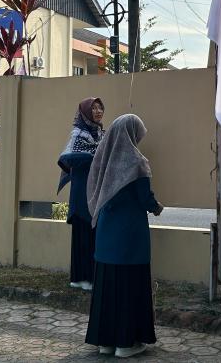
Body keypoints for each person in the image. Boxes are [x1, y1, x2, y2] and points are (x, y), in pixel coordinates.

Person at [85, 114, 163, 359]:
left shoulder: (104, 159)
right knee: (130, 285)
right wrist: (156, 206)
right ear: (131, 134)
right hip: (130, 237)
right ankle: (126, 344)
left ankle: (106, 342)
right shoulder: (137, 163)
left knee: (108, 286)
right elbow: (144, 198)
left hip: (107, 235)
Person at [57, 97, 105, 291]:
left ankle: (90, 278)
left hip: (94, 190)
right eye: (93, 108)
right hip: (81, 193)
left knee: (93, 235)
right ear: (85, 112)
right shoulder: (78, 133)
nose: (98, 111)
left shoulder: (101, 132)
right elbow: (70, 158)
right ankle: (80, 278)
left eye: (100, 107)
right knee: (82, 234)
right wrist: (95, 155)